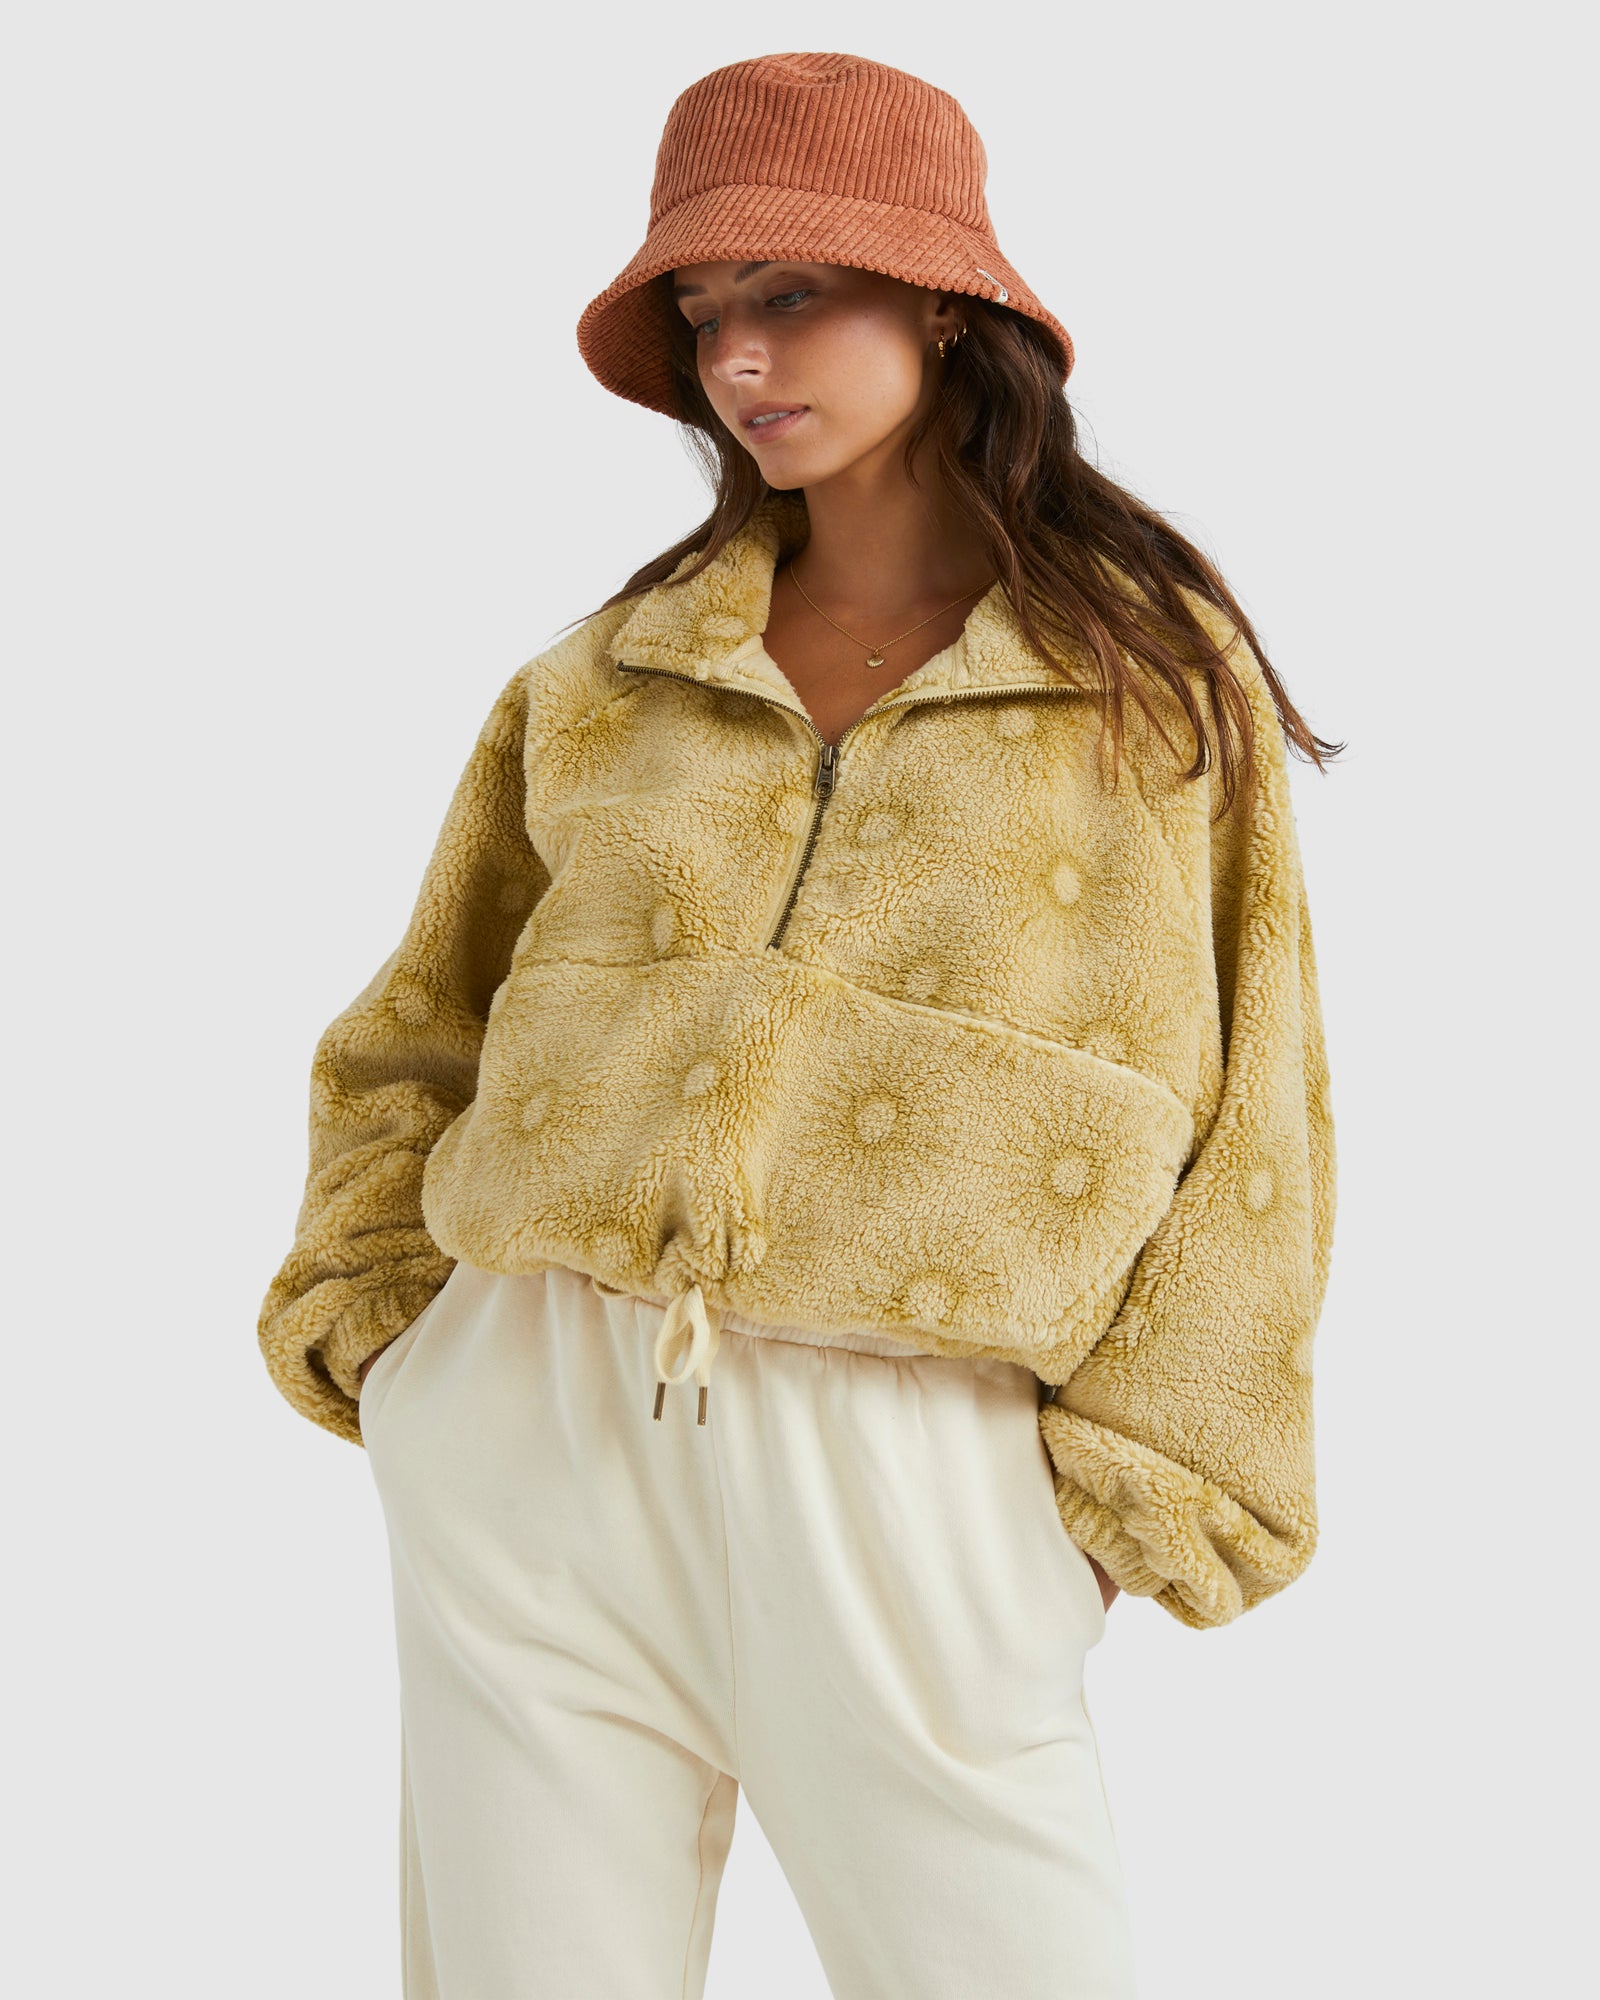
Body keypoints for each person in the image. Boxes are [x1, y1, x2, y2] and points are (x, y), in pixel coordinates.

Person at [259, 50, 1337, 2000]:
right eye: (703, 310)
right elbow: (421, 1022)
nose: (739, 357)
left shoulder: (1146, 687)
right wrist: (395, 1330)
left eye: (792, 292)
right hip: (532, 1418)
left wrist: (1119, 1497)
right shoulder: (604, 676)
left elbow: (1260, 1104)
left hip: (912, 1465)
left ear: (947, 306)